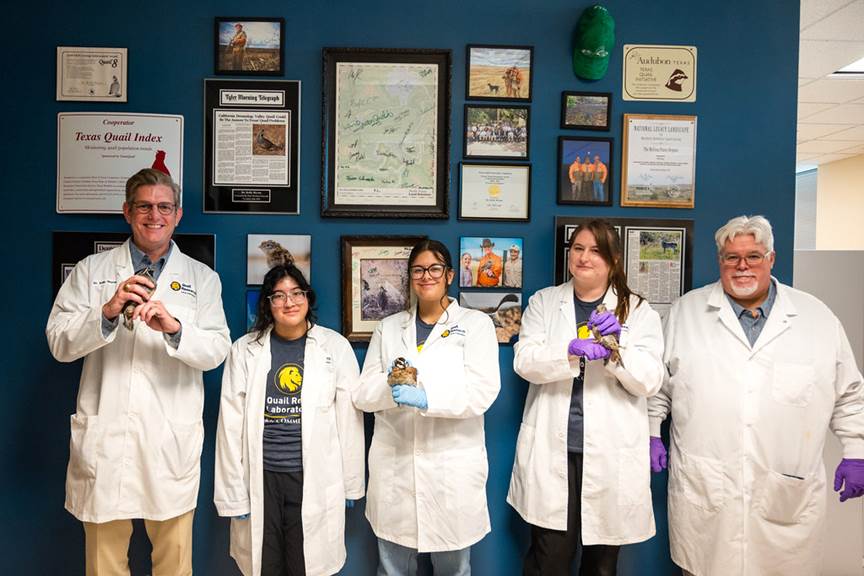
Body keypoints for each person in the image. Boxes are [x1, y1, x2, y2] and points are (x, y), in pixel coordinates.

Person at [648, 215, 864, 576]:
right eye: (732, 257)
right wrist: (652, 432)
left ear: (772, 259)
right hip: (706, 491)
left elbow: (849, 394)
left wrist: (856, 451)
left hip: (784, 495)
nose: (742, 266)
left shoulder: (816, 318)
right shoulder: (686, 312)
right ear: (720, 261)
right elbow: (658, 388)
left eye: (753, 256)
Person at [46, 168, 231, 576]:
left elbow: (218, 350)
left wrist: (177, 329)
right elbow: (58, 343)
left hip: (169, 442)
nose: (155, 215)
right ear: (127, 211)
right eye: (144, 206)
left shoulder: (203, 279)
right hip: (106, 438)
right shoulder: (92, 272)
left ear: (178, 215)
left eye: (164, 207)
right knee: (104, 564)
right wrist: (107, 312)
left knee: (174, 562)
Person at [508, 219, 664, 576]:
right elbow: (524, 360)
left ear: (613, 259)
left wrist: (616, 350)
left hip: (611, 453)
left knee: (602, 565)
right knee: (549, 559)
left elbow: (650, 379)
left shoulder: (639, 311)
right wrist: (569, 352)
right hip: (554, 449)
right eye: (577, 248)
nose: (584, 257)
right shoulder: (544, 303)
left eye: (595, 250)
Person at [353, 239, 500, 576]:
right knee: (392, 568)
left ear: (449, 274)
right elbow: (362, 393)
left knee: (454, 568)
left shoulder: (475, 325)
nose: (426, 276)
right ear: (410, 277)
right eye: (418, 270)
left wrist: (426, 397)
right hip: (396, 464)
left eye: (434, 268)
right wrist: (392, 389)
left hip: (451, 466)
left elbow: (482, 391)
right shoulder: (389, 328)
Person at [215, 264, 365, 576]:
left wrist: (350, 484)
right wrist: (233, 494)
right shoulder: (244, 350)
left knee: (306, 564)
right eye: (279, 296)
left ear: (308, 298)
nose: (289, 302)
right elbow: (230, 426)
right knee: (265, 564)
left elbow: (349, 422)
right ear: (268, 304)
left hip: (314, 476)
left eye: (297, 293)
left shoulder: (334, 347)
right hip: (263, 475)